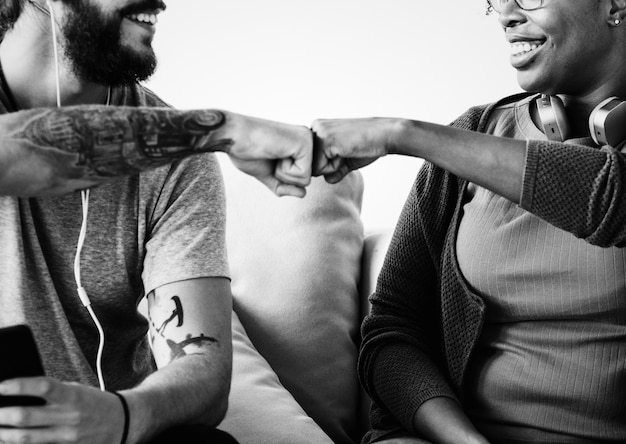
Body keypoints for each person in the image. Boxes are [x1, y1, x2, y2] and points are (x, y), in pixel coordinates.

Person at [312, 0, 626, 443]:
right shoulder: (475, 131)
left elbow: (611, 197)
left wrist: (402, 134)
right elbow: (392, 332)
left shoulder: (446, 144)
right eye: (497, 1)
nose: (507, 15)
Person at [0, 1, 312, 443]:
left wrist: (123, 416)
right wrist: (217, 130)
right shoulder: (193, 136)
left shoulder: (182, 160)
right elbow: (21, 152)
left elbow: (204, 374)